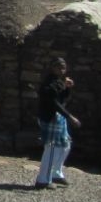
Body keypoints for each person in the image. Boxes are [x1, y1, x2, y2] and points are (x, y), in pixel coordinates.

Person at [35, 57, 81, 189]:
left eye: (63, 67)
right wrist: (70, 117)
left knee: (65, 145)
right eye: (59, 67)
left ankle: (56, 173)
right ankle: (43, 179)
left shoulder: (58, 82)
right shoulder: (49, 84)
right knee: (52, 149)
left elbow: (62, 100)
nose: (62, 70)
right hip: (50, 119)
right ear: (53, 68)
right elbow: (54, 103)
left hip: (58, 119)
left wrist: (67, 88)